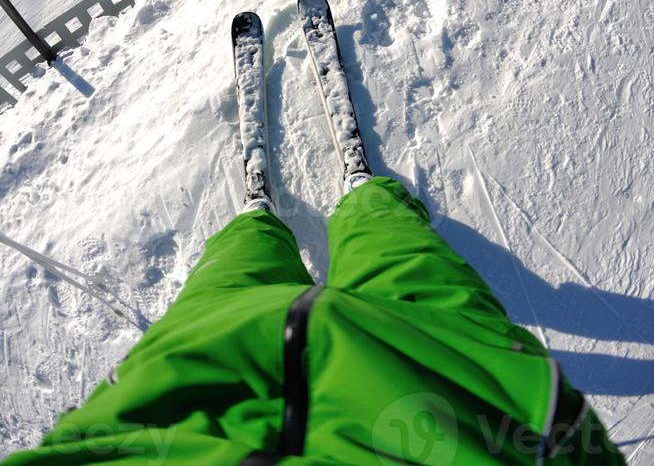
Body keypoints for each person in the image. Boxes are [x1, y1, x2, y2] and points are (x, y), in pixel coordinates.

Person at [4, 177, 625, 464]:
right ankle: (367, 198)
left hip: (174, 395)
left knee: (235, 267)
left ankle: (259, 221)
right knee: (401, 256)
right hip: (454, 382)